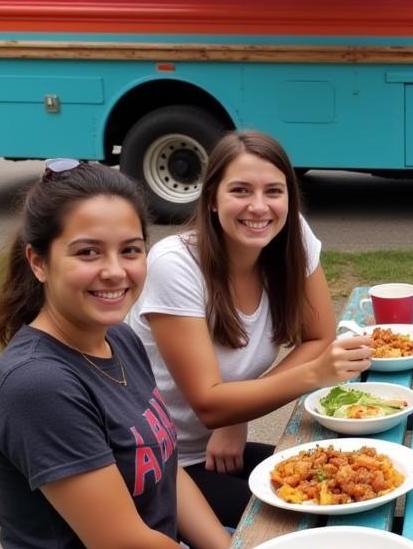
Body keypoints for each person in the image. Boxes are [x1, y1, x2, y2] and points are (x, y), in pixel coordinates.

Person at [0, 160, 232, 549]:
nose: (115, 272)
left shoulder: (120, 339)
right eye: (88, 252)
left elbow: (166, 469)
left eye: (131, 250)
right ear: (39, 262)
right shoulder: (39, 385)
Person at [127, 130, 372, 526]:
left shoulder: (293, 239)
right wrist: (312, 374)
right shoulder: (174, 265)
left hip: (219, 445)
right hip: (161, 463)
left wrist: (236, 417)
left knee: (352, 482)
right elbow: (209, 402)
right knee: (306, 520)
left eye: (273, 192)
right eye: (240, 190)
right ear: (211, 198)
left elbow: (318, 337)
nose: (259, 207)